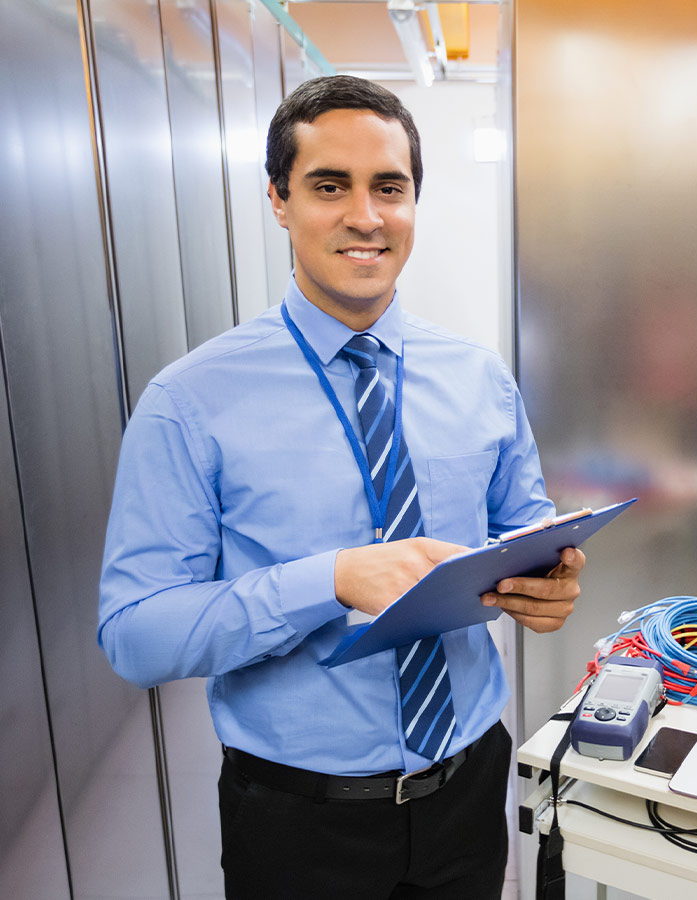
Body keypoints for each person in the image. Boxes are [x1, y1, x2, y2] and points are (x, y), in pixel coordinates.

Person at [98, 75, 584, 899]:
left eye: (389, 187)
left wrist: (551, 584)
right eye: (331, 186)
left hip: (468, 790)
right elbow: (136, 634)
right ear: (280, 201)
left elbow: (523, 530)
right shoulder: (189, 401)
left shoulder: (478, 378)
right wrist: (329, 580)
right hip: (298, 823)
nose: (366, 216)